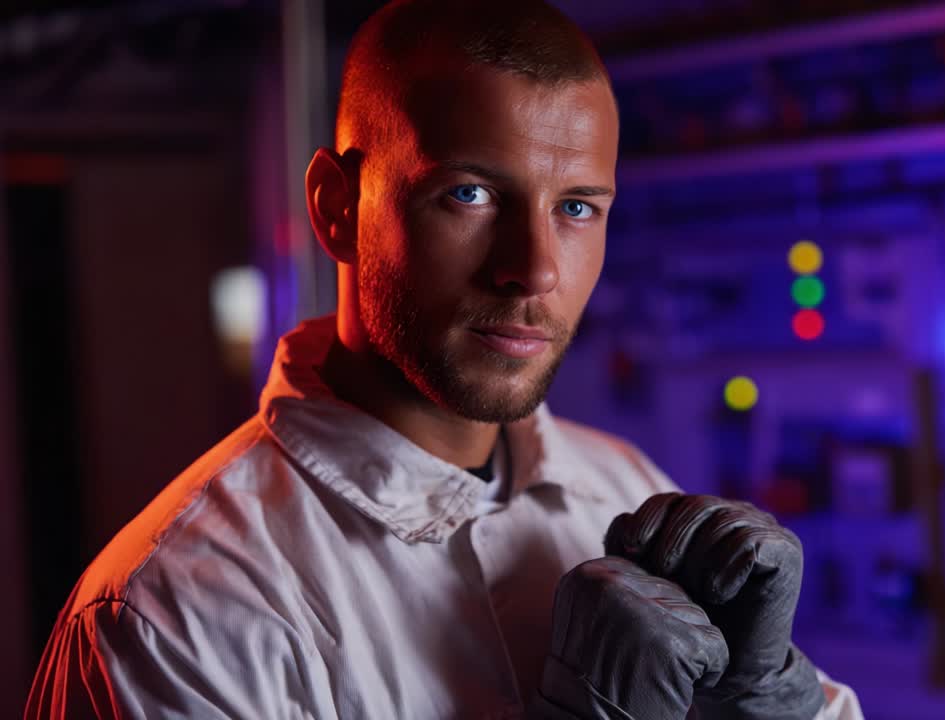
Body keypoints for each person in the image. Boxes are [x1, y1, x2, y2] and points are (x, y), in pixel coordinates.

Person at [26, 1, 864, 718]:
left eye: (576, 207)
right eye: (470, 194)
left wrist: (773, 703)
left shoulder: (621, 485)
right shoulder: (179, 613)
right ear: (337, 206)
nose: (533, 269)